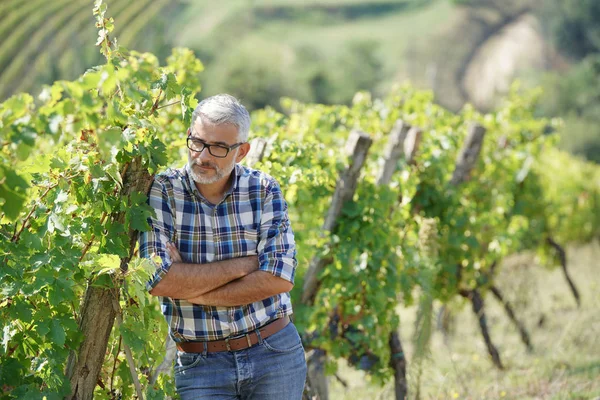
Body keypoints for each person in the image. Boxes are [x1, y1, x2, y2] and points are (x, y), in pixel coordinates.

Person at [139, 94, 307, 399]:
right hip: (200, 364)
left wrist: (189, 286)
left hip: (274, 352)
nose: (203, 156)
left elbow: (279, 278)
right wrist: (245, 265)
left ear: (241, 151)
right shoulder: (164, 190)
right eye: (198, 142)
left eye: (218, 148)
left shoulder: (263, 189)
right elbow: (157, 278)